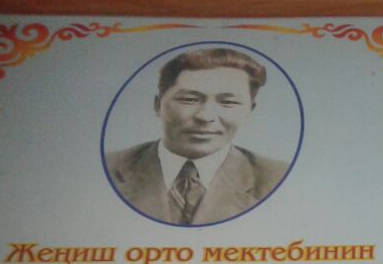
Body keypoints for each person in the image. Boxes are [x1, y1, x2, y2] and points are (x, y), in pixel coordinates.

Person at [105, 47, 289, 225]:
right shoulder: (106, 169)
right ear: (158, 105)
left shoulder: (280, 179)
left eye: (228, 102)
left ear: (249, 111)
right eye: (189, 100)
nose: (205, 116)